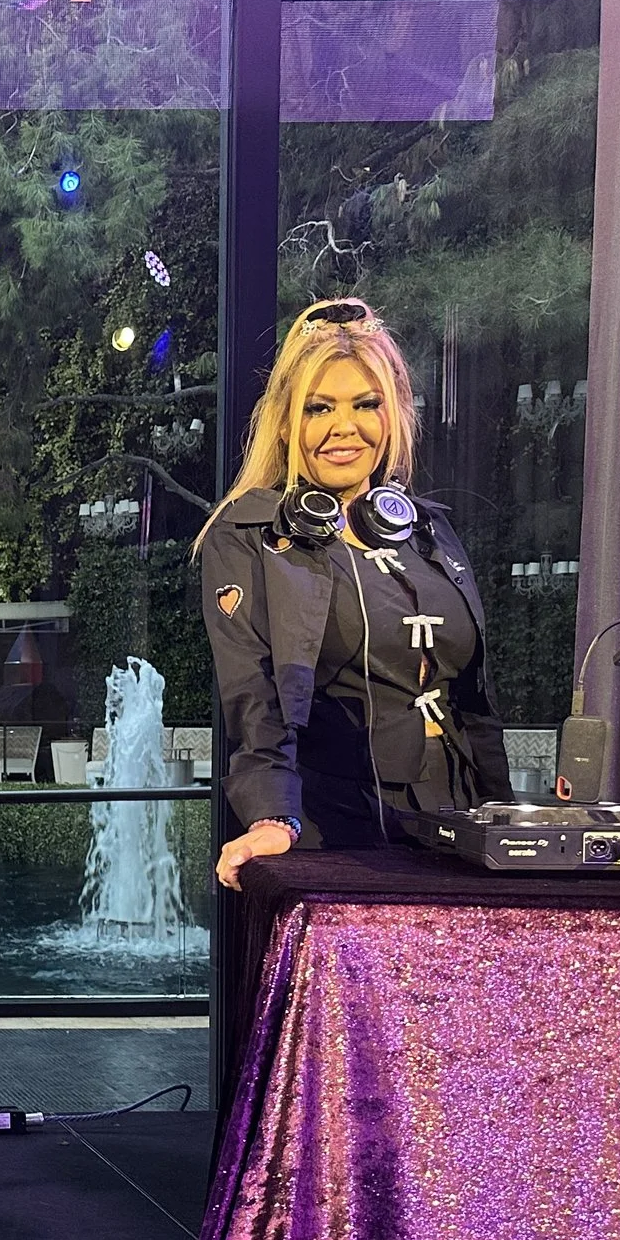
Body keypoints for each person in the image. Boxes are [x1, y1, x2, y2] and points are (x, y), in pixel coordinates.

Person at [199, 298, 511, 890]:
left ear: (391, 414)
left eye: (366, 404)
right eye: (320, 408)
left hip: (458, 816)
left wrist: (506, 812)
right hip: (335, 825)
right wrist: (271, 815)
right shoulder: (250, 534)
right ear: (288, 422)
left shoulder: (428, 529)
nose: (345, 427)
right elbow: (254, 693)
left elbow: (473, 694)